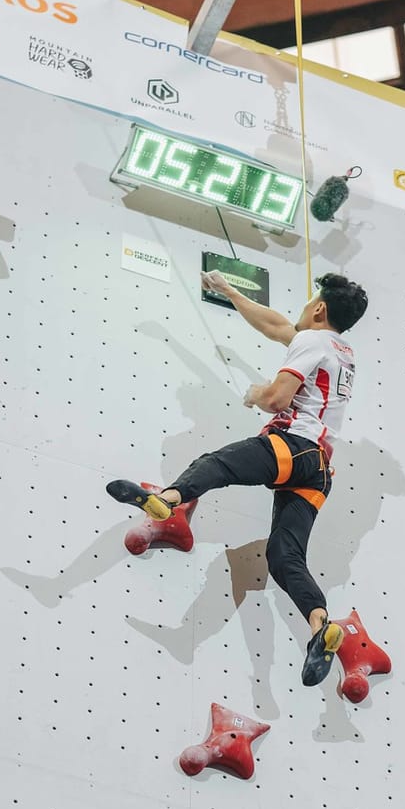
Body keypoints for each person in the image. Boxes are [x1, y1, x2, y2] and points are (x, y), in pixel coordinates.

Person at [109, 270, 368, 687]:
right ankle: (320, 626)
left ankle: (170, 500)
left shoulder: (312, 340)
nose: (299, 311)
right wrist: (229, 292)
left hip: (293, 447)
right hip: (318, 471)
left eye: (308, 303)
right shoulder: (342, 351)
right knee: (286, 560)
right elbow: (275, 326)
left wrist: (256, 393)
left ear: (318, 308)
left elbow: (276, 398)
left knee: (218, 464)